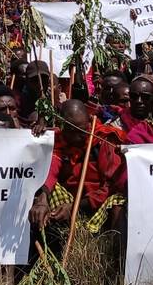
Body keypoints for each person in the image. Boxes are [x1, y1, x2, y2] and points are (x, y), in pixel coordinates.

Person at [29, 100, 126, 236]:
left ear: (89, 122)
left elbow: (110, 187)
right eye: (71, 131)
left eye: (82, 131)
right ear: (62, 126)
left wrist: (76, 207)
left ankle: (115, 254)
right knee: (44, 190)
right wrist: (42, 199)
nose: (77, 136)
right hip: (68, 202)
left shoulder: (104, 139)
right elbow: (51, 170)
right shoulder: (59, 139)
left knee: (117, 200)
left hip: (95, 203)